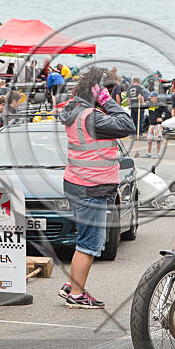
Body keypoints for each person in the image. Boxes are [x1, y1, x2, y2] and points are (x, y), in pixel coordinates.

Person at [57, 68, 135, 308]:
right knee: (89, 244)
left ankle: (72, 285)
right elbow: (127, 124)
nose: (113, 96)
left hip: (77, 182)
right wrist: (108, 101)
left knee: (84, 239)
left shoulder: (74, 110)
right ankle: (77, 295)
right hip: (91, 187)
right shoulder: (92, 117)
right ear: (98, 92)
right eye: (109, 92)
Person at [145, 92, 168, 158]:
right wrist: (140, 100)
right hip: (151, 124)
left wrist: (162, 118)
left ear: (156, 97)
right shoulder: (149, 104)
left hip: (158, 125)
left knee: (158, 139)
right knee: (149, 139)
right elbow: (142, 107)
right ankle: (148, 153)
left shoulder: (160, 104)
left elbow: (168, 112)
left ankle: (158, 154)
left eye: (152, 97)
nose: (151, 98)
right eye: (151, 97)